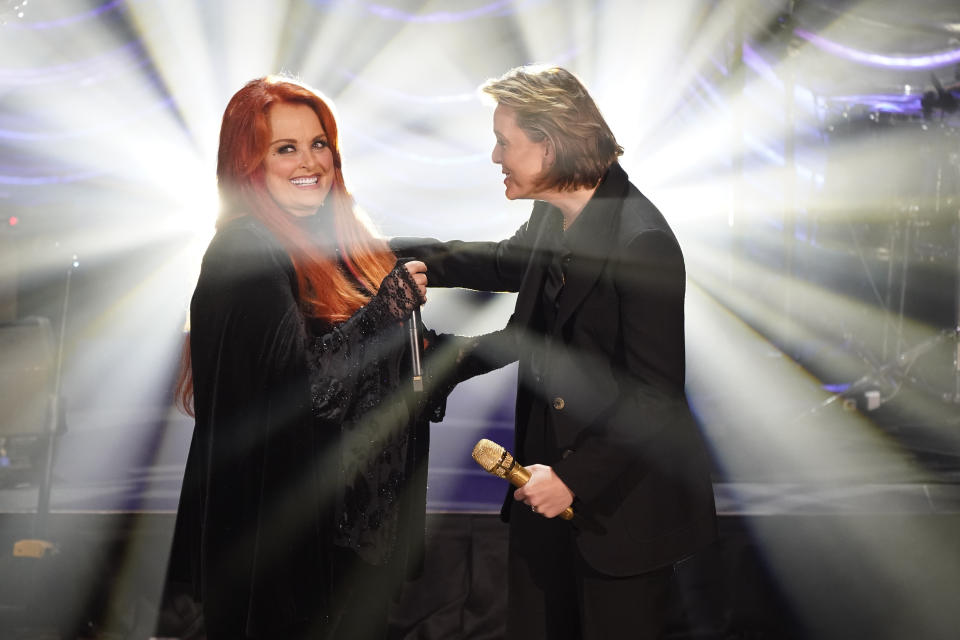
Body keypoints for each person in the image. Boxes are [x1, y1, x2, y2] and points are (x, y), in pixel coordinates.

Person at [392, 65, 717, 639]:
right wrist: (385, 254)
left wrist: (573, 478)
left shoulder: (643, 242)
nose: (496, 157)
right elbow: (507, 279)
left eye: (504, 142)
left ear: (550, 143)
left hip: (621, 513)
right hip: (542, 493)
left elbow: (655, 397)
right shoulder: (555, 214)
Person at [165, 75, 447, 640]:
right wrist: (386, 308)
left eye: (319, 144)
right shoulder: (244, 249)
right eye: (285, 148)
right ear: (249, 164)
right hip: (281, 553)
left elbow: (367, 374)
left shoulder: (323, 242)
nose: (310, 162)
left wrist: (466, 352)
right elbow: (305, 390)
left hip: (344, 543)